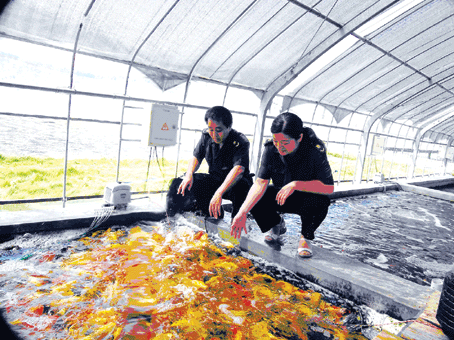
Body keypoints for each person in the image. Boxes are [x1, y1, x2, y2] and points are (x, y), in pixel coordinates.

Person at [230, 112, 334, 258]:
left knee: (322, 202)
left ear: (299, 137)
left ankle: (306, 237)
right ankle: (276, 224)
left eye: (285, 142)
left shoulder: (314, 150)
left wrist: (296, 185)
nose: (279, 147)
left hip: (307, 198)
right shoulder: (270, 148)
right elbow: (260, 183)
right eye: (276, 141)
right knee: (254, 196)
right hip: (282, 195)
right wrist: (242, 213)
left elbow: (329, 188)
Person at [166, 106, 253, 220]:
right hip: (216, 179)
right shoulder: (206, 136)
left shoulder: (240, 141)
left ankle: (238, 220)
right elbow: (196, 156)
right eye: (211, 129)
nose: (214, 134)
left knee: (241, 187)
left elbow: (238, 170)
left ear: (229, 127)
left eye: (218, 130)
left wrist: (219, 193)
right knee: (179, 182)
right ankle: (207, 213)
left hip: (234, 183)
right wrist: (189, 175)